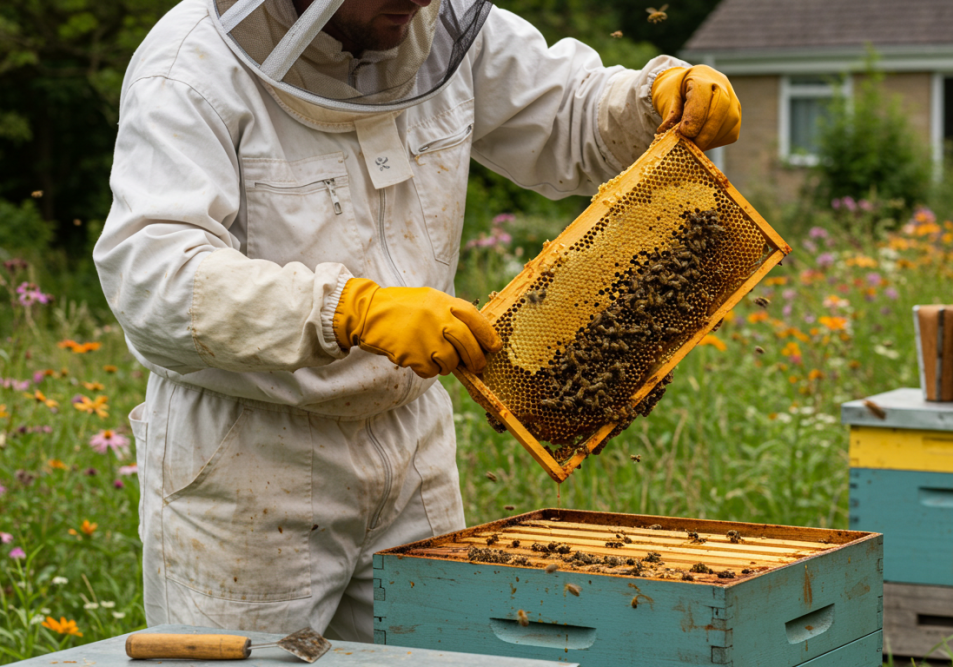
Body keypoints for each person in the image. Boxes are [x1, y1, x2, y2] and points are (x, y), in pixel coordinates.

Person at [93, 0, 740, 642]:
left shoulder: (438, 29)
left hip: (413, 448)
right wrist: (346, 310)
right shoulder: (191, 69)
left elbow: (567, 113)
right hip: (252, 463)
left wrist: (652, 97)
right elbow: (154, 277)